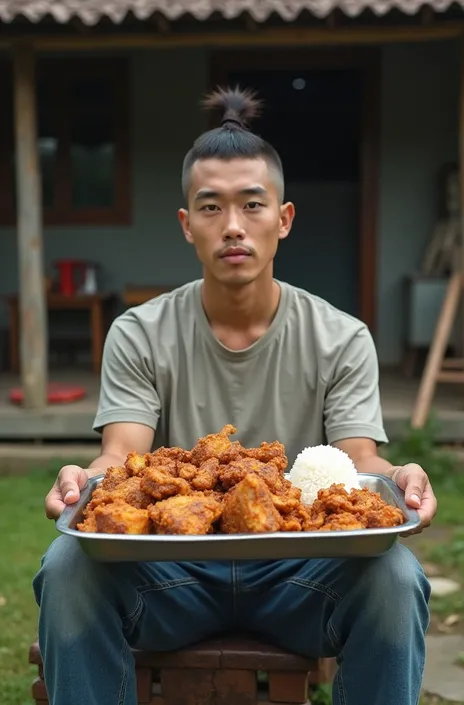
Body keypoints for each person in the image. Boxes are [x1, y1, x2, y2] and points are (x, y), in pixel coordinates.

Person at [34, 87, 436, 705]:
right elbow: (121, 456)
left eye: (252, 205)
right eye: (211, 207)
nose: (233, 227)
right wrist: (80, 480)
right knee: (66, 568)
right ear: (186, 224)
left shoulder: (340, 336)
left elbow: (361, 464)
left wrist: (401, 476)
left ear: (284, 219)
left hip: (300, 579)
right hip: (171, 577)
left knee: (395, 577)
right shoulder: (140, 331)